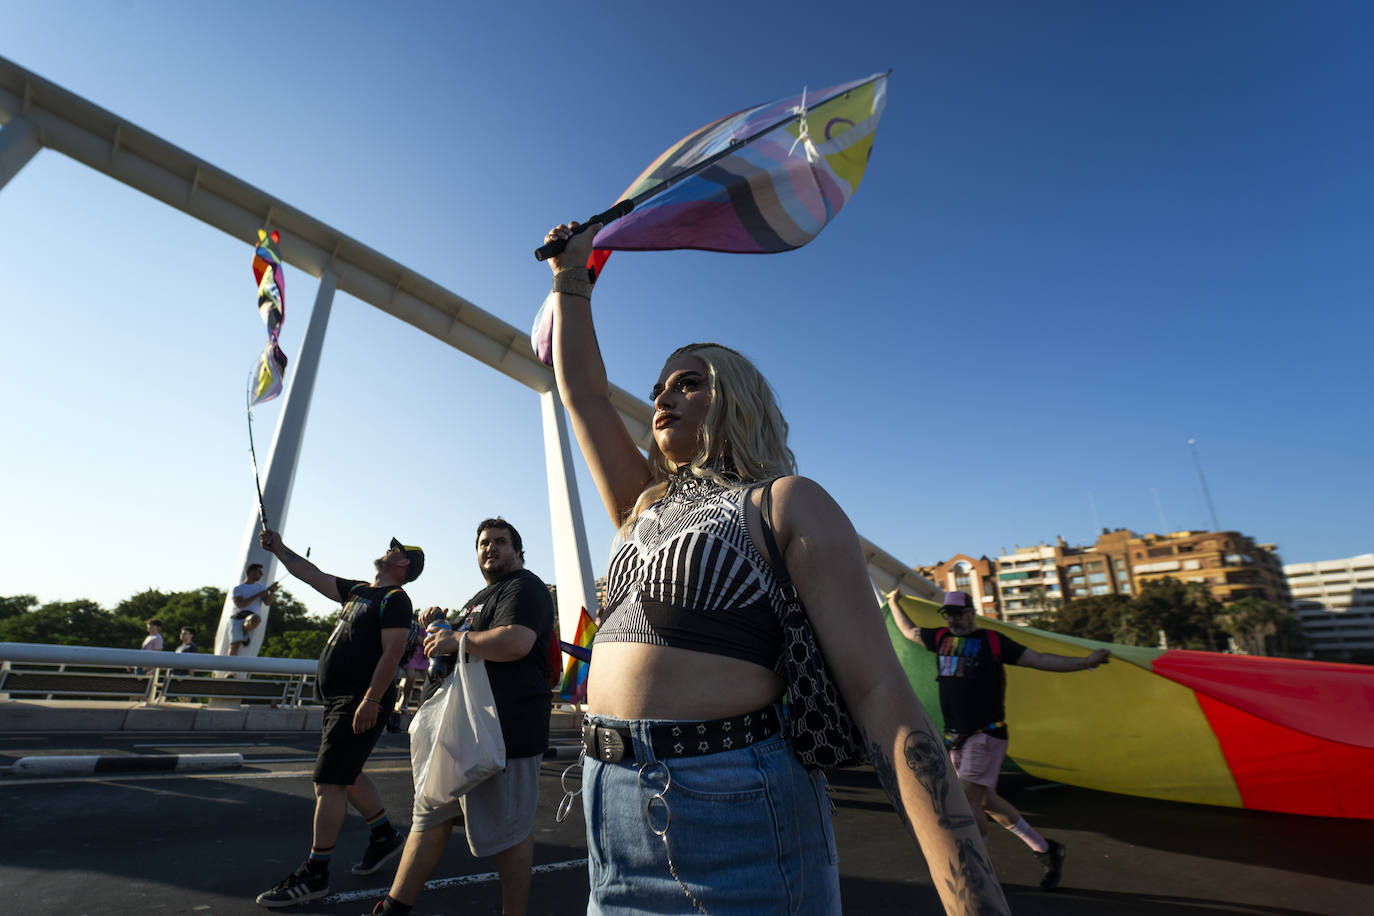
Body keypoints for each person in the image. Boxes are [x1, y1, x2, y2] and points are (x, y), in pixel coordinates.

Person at [540, 221, 1009, 915]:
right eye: (660, 385)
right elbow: (582, 393)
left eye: (689, 382)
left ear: (737, 399)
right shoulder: (642, 501)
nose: (664, 396)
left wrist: (970, 895)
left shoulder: (786, 502)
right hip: (610, 806)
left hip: (735, 809)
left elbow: (881, 693)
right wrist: (569, 280)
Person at [373, 518, 554, 916]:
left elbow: (516, 642)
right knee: (430, 816)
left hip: (507, 731)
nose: (490, 548)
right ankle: (393, 907)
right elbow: (455, 645)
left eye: (500, 542)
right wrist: (439, 623)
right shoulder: (480, 598)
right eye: (483, 543)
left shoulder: (526, 587)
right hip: (460, 731)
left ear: (518, 551)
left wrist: (457, 638)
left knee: (509, 833)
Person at [887, 589, 1111, 891]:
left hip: (987, 733)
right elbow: (910, 632)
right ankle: (1045, 849)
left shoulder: (993, 641)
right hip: (957, 737)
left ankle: (977, 870)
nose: (953, 618)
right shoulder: (940, 638)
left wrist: (1087, 662)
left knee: (967, 799)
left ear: (971, 612)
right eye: (948, 614)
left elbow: (1040, 659)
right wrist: (892, 603)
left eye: (958, 613)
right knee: (987, 803)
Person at [253, 530, 424, 908]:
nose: (387, 549)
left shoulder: (396, 599)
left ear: (403, 564)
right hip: (340, 700)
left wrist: (371, 700)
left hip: (358, 700)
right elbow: (310, 574)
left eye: (393, 549)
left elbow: (392, 654)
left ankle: (316, 874)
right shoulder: (362, 591)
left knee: (329, 783)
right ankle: (384, 836)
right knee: (346, 773)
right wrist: (279, 549)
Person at [230, 562, 278, 655]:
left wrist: (272, 592)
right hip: (238, 617)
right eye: (259, 572)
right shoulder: (238, 588)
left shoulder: (261, 587)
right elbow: (240, 605)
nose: (261, 574)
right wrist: (259, 594)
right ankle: (230, 666)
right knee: (234, 646)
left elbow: (268, 602)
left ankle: (244, 631)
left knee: (255, 619)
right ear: (251, 572)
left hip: (252, 616)